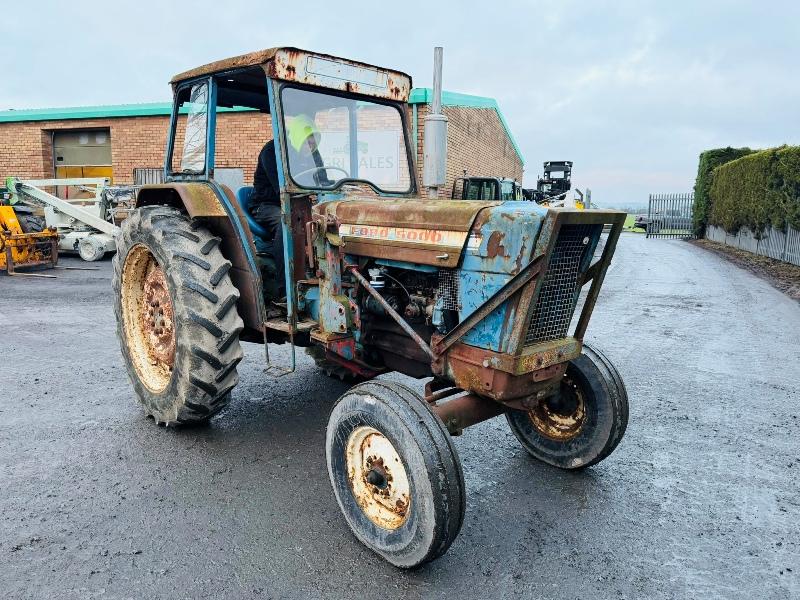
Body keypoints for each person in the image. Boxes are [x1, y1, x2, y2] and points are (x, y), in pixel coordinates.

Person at [249, 114, 326, 297]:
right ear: (299, 136)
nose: (313, 146)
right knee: (289, 225)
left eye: (315, 141)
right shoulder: (272, 151)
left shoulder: (311, 153)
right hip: (268, 204)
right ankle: (286, 291)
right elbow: (281, 188)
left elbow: (324, 179)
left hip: (298, 202)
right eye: (309, 141)